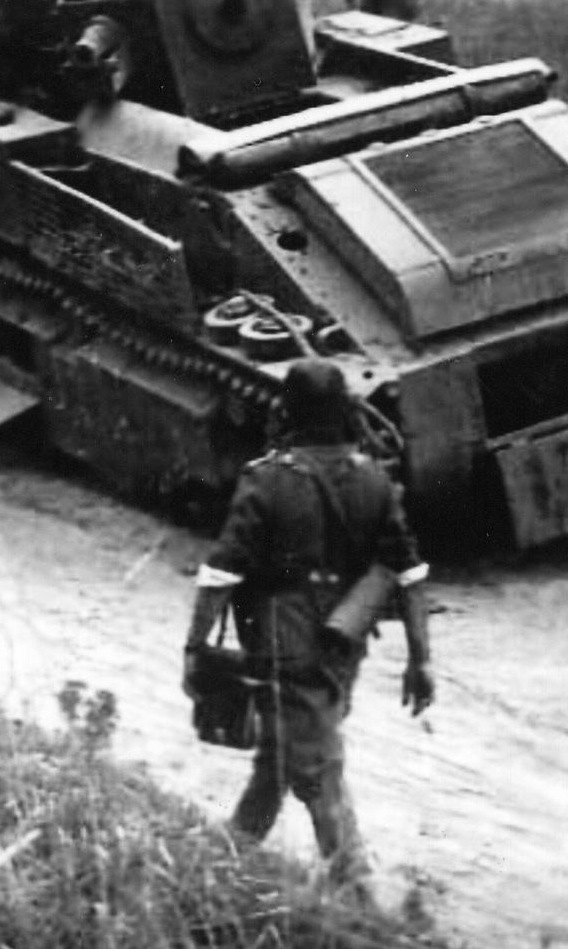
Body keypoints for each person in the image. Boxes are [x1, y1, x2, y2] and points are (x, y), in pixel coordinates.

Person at [182, 358, 434, 898]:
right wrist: (421, 660)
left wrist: (195, 646)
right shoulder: (374, 479)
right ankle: (229, 858)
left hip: (282, 644)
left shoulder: (267, 480)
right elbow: (409, 574)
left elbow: (220, 574)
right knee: (284, 753)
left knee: (317, 768)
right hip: (344, 644)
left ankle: (357, 893)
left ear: (288, 412)